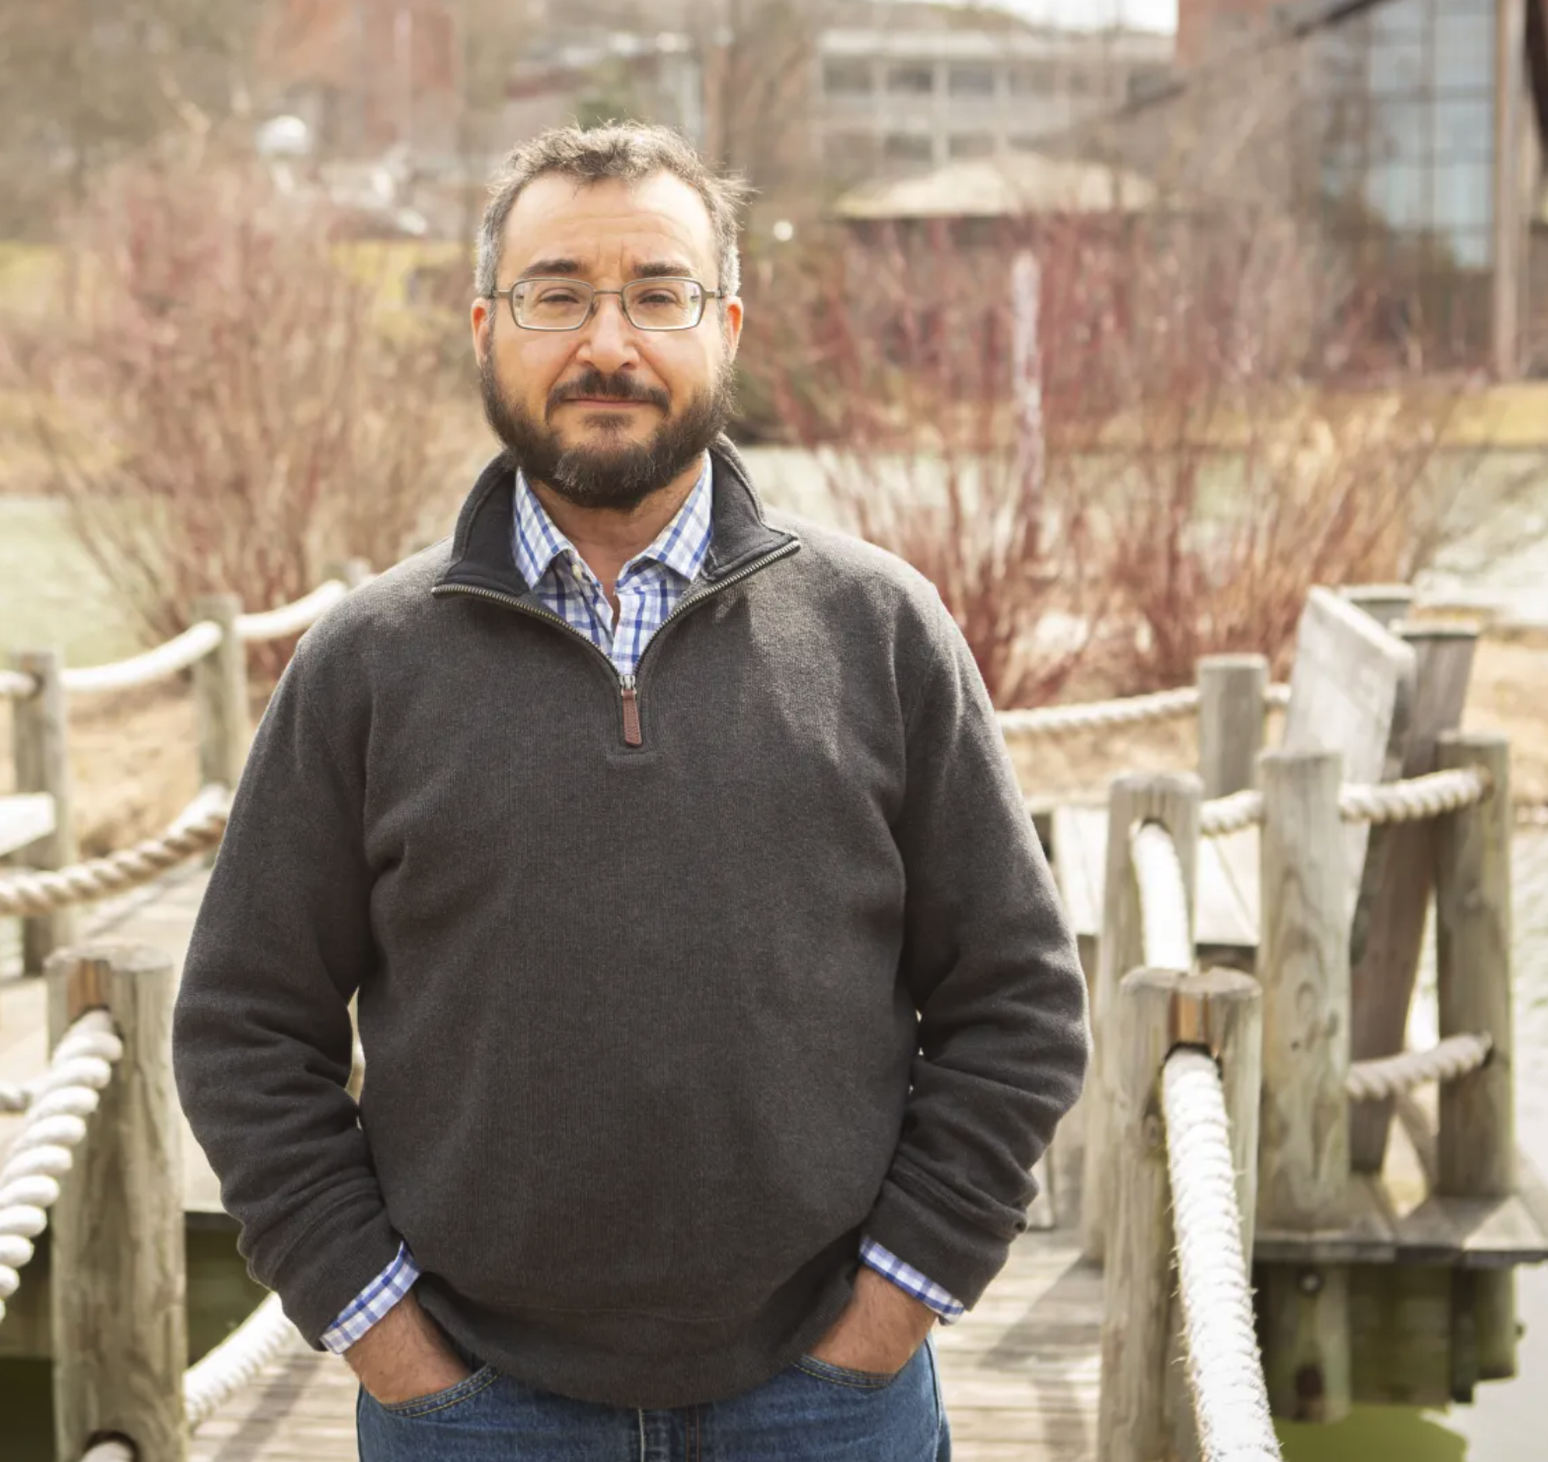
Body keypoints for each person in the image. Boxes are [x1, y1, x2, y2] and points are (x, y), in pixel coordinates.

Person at [173, 122, 1089, 1459]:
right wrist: (391, 1342)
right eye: (558, 296)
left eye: (657, 294)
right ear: (487, 327)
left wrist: (887, 1315)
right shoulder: (366, 664)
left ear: (727, 326)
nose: (609, 344)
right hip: (474, 1416)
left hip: (827, 1403)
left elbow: (1017, 1001)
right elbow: (246, 1028)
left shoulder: (878, 630)